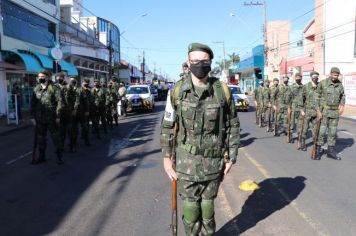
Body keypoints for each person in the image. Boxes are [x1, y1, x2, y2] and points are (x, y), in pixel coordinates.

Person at [160, 42, 240, 236]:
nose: (199, 65)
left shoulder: (222, 91)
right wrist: (166, 160)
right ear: (189, 62)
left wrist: (231, 157)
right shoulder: (177, 91)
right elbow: (168, 127)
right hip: (185, 160)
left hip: (214, 160)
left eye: (204, 61)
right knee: (190, 208)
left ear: (211, 62)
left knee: (207, 207)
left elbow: (233, 125)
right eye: (195, 61)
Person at [30, 70, 64, 164]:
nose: (40, 78)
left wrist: (58, 116)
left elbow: (60, 102)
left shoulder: (54, 88)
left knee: (55, 137)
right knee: (41, 138)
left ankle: (59, 156)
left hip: (51, 118)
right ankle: (42, 156)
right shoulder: (36, 89)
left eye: (42, 76)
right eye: (39, 76)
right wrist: (32, 117)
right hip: (40, 118)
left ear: (47, 77)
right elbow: (33, 103)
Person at [315, 67, 345, 160]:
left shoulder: (340, 85)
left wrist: (342, 105)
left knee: (332, 132)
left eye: (337, 75)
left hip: (335, 112)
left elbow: (342, 95)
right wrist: (318, 110)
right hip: (324, 112)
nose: (335, 77)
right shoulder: (323, 83)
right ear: (330, 74)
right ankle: (318, 150)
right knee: (322, 131)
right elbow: (317, 96)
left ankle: (330, 151)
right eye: (334, 75)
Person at [298, 71, 321, 152]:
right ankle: (303, 143)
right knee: (305, 128)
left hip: (317, 112)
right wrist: (301, 109)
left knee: (316, 129)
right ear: (311, 77)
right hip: (307, 111)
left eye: (317, 76)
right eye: (314, 76)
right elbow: (301, 98)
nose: (315, 78)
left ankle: (316, 144)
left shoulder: (320, 86)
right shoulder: (306, 86)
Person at [290, 73, 304, 143]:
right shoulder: (292, 87)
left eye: (300, 77)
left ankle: (299, 135)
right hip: (293, 107)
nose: (298, 78)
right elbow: (289, 98)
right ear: (295, 78)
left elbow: (306, 98)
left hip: (301, 108)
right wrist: (289, 107)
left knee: (300, 123)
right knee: (292, 122)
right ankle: (291, 135)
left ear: (301, 78)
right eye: (297, 77)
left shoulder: (304, 87)